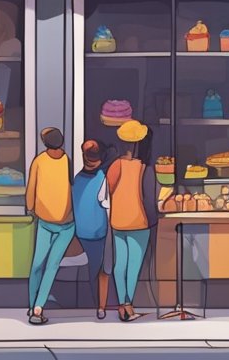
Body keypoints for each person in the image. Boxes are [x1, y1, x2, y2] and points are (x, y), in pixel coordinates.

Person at [106, 120, 158, 322]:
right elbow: (151, 198)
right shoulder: (144, 168)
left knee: (120, 263)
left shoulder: (115, 166)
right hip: (139, 222)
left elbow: (109, 191)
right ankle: (128, 306)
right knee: (134, 265)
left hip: (118, 220)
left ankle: (122, 304)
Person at [25, 127, 75, 325]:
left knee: (44, 265)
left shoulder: (49, 161)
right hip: (54, 222)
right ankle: (33, 306)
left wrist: (30, 209)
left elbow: (31, 187)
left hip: (60, 224)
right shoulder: (51, 161)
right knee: (44, 265)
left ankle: (36, 307)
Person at [72, 139, 112, 320]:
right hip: (98, 232)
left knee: (93, 272)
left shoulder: (76, 180)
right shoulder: (103, 178)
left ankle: (98, 305)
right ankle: (100, 307)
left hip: (80, 231)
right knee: (101, 271)